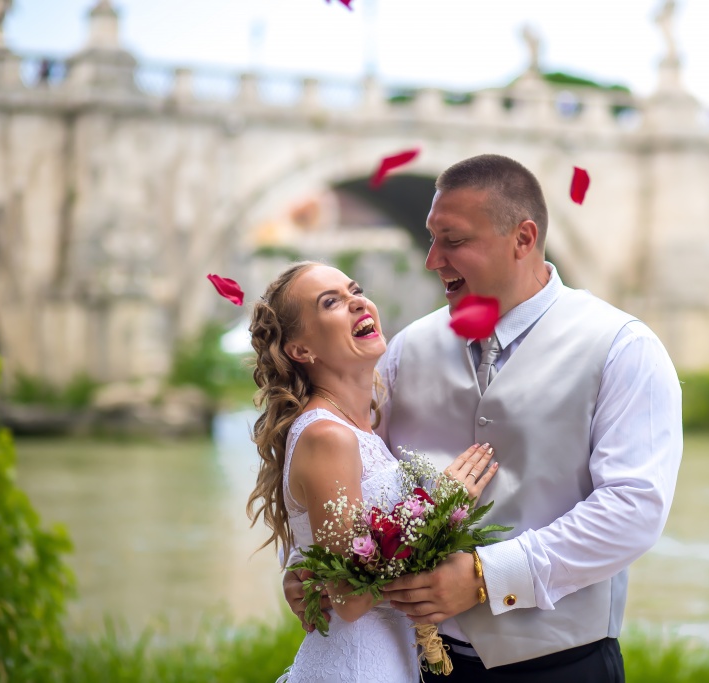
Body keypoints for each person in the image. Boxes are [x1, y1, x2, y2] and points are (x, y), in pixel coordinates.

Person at [284, 154, 683, 682]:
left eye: (453, 241)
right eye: (431, 239)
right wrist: (307, 564)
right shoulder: (405, 350)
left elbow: (634, 509)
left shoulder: (622, 348)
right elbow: (345, 473)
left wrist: (485, 577)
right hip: (421, 667)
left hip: (563, 668)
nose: (432, 260)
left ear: (523, 238)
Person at [247, 262, 498, 683]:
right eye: (331, 302)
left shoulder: (358, 428)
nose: (357, 302)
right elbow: (348, 599)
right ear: (301, 350)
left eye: (356, 290)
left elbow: (325, 546)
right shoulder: (328, 436)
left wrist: (301, 568)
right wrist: (439, 507)